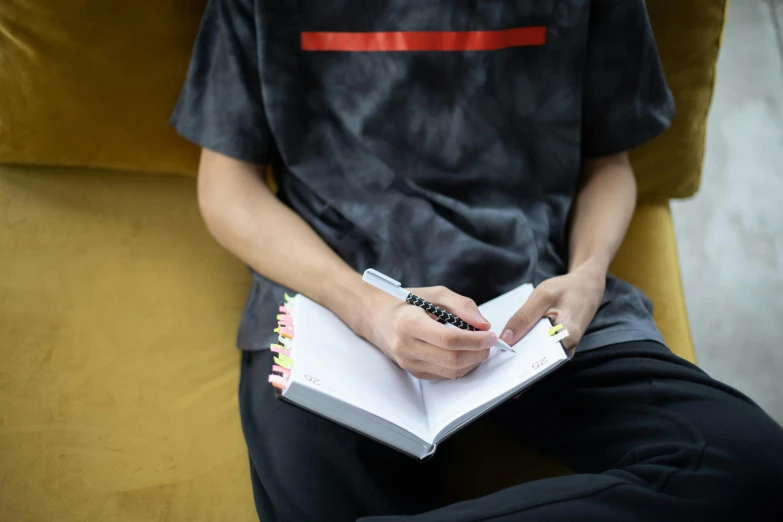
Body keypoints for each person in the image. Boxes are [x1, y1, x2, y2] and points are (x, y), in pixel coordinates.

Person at [171, 0, 783, 520]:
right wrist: (373, 312)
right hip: (340, 302)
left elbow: (609, 163)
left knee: (753, 465)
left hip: (534, 305)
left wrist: (588, 274)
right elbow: (227, 187)